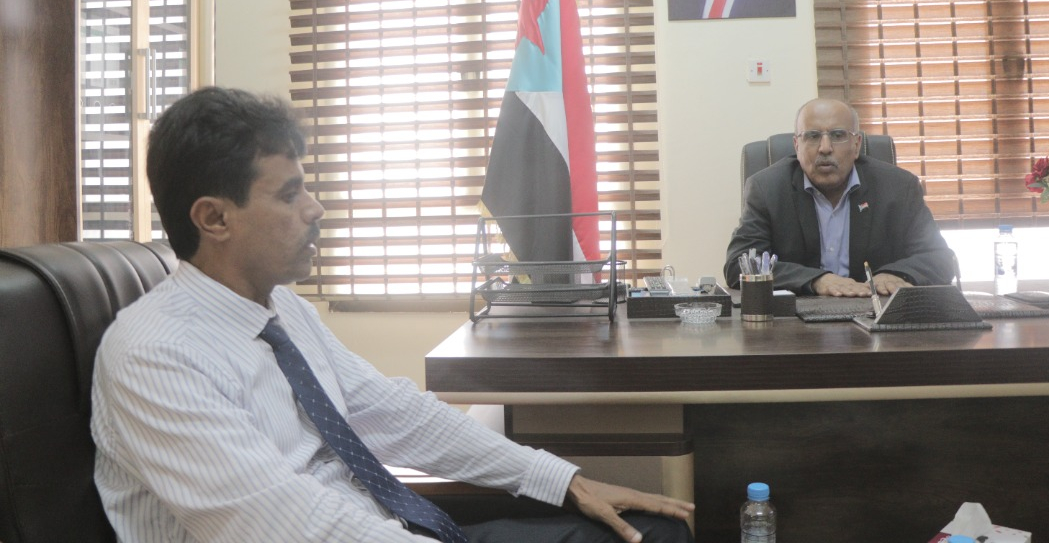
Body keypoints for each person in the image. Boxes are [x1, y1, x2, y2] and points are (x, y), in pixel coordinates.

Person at [91, 87, 694, 543]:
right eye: (289, 194)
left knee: (654, 533)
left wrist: (564, 480)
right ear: (214, 219)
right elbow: (284, 521)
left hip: (388, 527)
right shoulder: (153, 356)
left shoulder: (281, 310)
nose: (315, 208)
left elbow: (394, 412)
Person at [724, 98, 955, 296]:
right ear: (797, 145)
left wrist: (895, 275)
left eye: (837, 135)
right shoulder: (767, 189)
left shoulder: (898, 188)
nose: (825, 148)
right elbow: (739, 264)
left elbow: (939, 258)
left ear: (856, 145)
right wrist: (816, 280)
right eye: (812, 136)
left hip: (876, 314)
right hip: (798, 321)